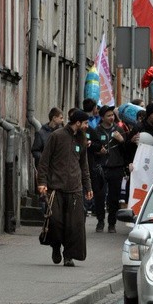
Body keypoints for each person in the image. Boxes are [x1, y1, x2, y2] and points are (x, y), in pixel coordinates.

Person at [36, 109, 94, 267]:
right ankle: (55, 246)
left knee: (74, 226)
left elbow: (84, 165)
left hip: (75, 189)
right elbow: (44, 161)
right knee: (55, 222)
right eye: (86, 123)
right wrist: (42, 182)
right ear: (78, 123)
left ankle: (68, 255)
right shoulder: (57, 136)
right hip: (56, 188)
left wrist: (88, 186)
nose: (87, 126)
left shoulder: (82, 139)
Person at [89, 105, 127, 234]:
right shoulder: (96, 131)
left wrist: (121, 141)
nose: (111, 118)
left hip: (116, 167)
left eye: (112, 115)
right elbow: (91, 147)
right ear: (102, 117)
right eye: (108, 116)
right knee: (99, 195)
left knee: (114, 197)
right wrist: (98, 151)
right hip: (101, 167)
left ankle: (112, 223)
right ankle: (100, 221)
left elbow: (126, 151)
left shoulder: (119, 130)